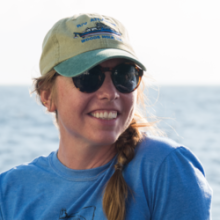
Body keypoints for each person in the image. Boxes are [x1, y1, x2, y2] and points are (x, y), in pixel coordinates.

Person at [0, 13, 212, 220]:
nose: (110, 93)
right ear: (47, 96)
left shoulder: (165, 168)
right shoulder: (9, 191)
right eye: (88, 76)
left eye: (124, 75)